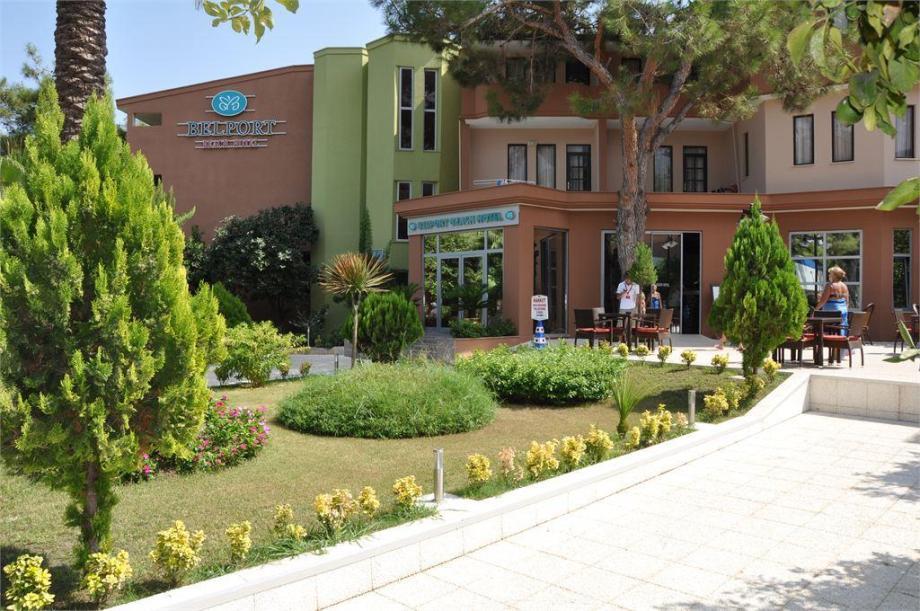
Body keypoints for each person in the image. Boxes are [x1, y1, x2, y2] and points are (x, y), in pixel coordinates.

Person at [816, 265, 849, 335]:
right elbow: (847, 302)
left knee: (816, 323)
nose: (829, 275)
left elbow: (822, 301)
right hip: (842, 317)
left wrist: (815, 310)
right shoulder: (844, 286)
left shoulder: (830, 285)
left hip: (831, 317)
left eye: (830, 273)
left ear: (834, 275)